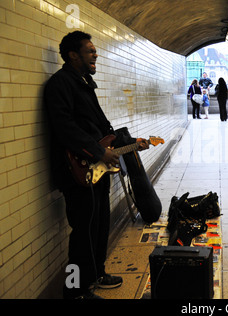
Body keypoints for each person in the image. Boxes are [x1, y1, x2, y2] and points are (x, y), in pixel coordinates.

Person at [44, 31, 150, 299]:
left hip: (95, 170)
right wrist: (98, 151)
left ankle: (96, 273)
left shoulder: (84, 82)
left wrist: (127, 143)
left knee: (100, 225)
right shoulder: (60, 84)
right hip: (76, 171)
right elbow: (64, 127)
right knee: (82, 232)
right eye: (90, 51)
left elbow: (101, 127)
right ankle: (75, 290)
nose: (96, 55)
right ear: (73, 55)